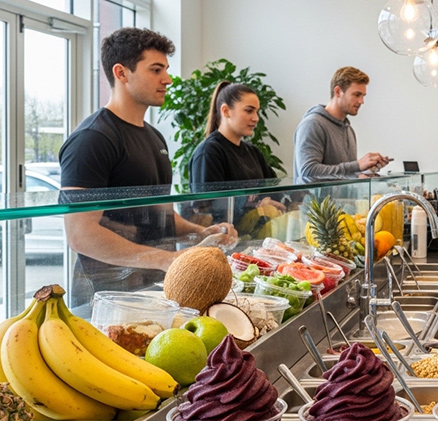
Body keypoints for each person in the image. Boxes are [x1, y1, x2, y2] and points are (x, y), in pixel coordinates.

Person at [59, 27, 236, 306]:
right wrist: (166, 259)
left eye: (165, 69)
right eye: (156, 70)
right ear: (121, 73)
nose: (167, 79)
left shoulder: (155, 137)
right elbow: (81, 234)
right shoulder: (92, 139)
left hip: (156, 288)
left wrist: (202, 232)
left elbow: (160, 215)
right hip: (106, 296)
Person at [189, 81, 285, 216]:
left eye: (257, 111)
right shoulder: (209, 152)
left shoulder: (254, 152)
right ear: (226, 111)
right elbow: (206, 208)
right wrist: (256, 205)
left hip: (256, 234)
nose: (256, 118)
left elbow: (276, 192)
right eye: (249, 110)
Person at [293, 66, 392, 183]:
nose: (361, 101)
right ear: (338, 91)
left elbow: (343, 174)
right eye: (356, 94)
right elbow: (307, 172)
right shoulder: (313, 124)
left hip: (342, 201)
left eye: (363, 96)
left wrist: (367, 170)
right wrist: (357, 165)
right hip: (314, 202)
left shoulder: (349, 130)